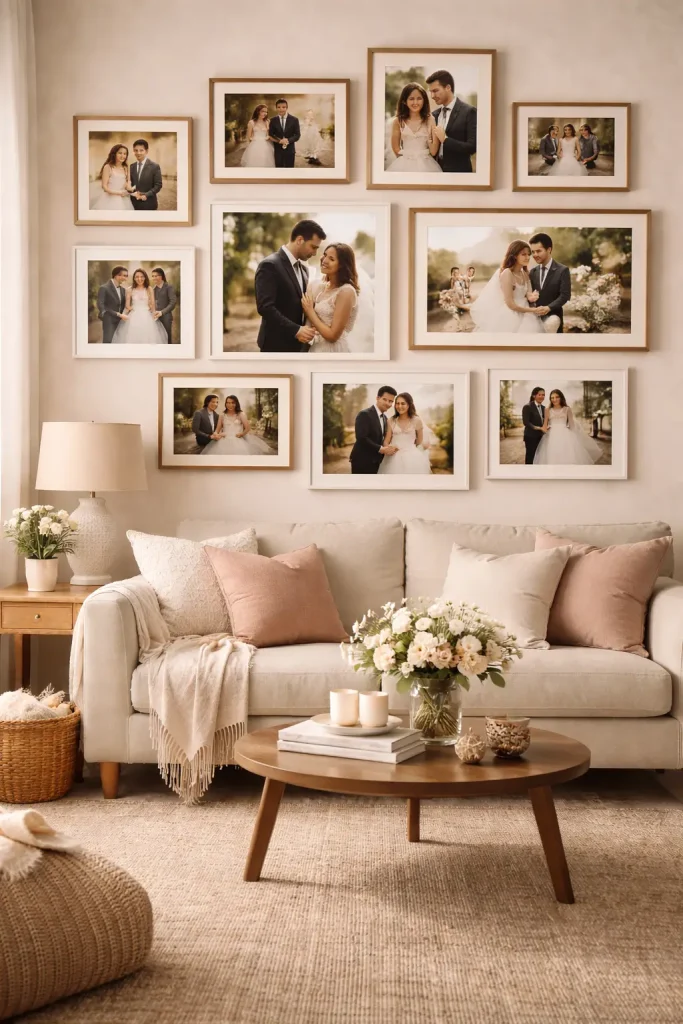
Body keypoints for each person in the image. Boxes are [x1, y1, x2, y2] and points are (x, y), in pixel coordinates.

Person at [254, 219, 326, 353]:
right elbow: (265, 307)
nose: (315, 253)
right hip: (275, 344)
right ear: (299, 240)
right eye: (313, 247)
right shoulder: (269, 265)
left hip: (298, 346)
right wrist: (296, 329)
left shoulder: (304, 269)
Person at [470, 240, 549, 334]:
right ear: (515, 256)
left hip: (526, 311)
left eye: (529, 254)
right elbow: (510, 304)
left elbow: (528, 294)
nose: (527, 257)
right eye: (523, 254)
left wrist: (532, 296)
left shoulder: (525, 274)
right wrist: (533, 310)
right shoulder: (507, 273)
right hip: (512, 313)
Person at [301, 243, 359, 354]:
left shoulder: (346, 292)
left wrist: (310, 311)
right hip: (317, 348)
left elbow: (333, 336)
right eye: (325, 255)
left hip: (333, 351)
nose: (324, 260)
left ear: (342, 265)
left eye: (331, 259)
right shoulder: (324, 287)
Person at [425, 69, 477, 173]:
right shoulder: (434, 115)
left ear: (448, 87)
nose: (432, 96)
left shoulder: (469, 111)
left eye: (435, 91)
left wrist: (445, 140)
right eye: (430, 92)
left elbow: (472, 147)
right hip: (436, 171)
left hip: (459, 174)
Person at [534, 389, 603, 466]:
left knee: (567, 457)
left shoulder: (567, 409)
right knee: (553, 457)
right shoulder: (547, 410)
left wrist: (573, 438)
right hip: (552, 437)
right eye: (552, 398)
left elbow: (572, 426)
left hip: (565, 436)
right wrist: (538, 428)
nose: (554, 399)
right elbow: (545, 426)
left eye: (557, 397)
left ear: (561, 398)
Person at [386, 82, 440, 173]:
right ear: (404, 101)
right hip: (404, 164)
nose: (415, 102)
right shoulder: (398, 121)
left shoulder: (430, 120)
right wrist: (407, 160)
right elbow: (396, 148)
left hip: (427, 165)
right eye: (411, 99)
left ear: (424, 100)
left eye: (419, 98)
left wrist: (430, 139)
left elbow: (434, 151)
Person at [201, 396, 275, 456]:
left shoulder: (241, 414)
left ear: (236, 403)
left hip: (238, 438)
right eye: (228, 403)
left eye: (232, 403)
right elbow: (217, 429)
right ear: (225, 404)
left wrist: (242, 434)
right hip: (224, 438)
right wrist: (216, 434)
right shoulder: (222, 415)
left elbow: (247, 428)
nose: (230, 405)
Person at [378, 393, 431, 475]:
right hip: (393, 457)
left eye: (403, 403)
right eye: (397, 403)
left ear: (409, 405)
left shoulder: (417, 420)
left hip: (412, 457)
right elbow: (386, 440)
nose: (399, 406)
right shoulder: (391, 420)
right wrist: (388, 448)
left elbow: (419, 441)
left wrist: (413, 447)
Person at [349, 385, 398, 474]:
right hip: (362, 461)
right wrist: (381, 449)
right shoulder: (364, 414)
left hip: (377, 462)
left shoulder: (385, 418)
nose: (388, 403)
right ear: (377, 398)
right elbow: (361, 438)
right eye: (385, 399)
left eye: (391, 401)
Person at [112, 268, 168, 344]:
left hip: (147, 316)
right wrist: (128, 313)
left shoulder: (149, 289)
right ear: (134, 278)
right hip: (134, 316)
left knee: (149, 337)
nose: (139, 279)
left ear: (145, 277)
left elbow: (153, 304)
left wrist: (153, 314)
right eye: (137, 277)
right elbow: (127, 306)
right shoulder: (130, 289)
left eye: (142, 276)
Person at [528, 233, 571, 333]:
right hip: (534, 320)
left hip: (554, 319)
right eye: (533, 252)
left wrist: (548, 308)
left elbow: (565, 295)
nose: (535, 255)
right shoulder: (533, 271)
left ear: (549, 249)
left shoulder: (562, 270)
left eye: (538, 251)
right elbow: (530, 295)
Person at [91, 145, 134, 211]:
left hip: (124, 199)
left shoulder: (126, 167)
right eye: (120, 153)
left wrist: (130, 189)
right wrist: (118, 193)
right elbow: (104, 187)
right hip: (109, 198)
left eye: (125, 154)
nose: (122, 156)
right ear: (114, 154)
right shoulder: (108, 167)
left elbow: (128, 182)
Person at [97, 266, 128, 343]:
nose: (125, 278)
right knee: (108, 342)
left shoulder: (123, 290)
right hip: (109, 321)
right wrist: (117, 314)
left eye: (126, 276)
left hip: (121, 322)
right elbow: (101, 305)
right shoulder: (104, 288)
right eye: (124, 275)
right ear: (116, 275)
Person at [129, 139, 163, 211]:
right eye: (136, 150)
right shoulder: (131, 166)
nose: (138, 153)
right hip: (132, 204)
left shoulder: (155, 166)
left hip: (149, 204)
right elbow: (131, 184)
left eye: (141, 150)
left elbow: (158, 185)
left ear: (146, 151)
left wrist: (146, 195)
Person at [268, 99, 300, 169]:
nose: (281, 109)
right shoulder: (273, 120)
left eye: (283, 107)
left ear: (287, 108)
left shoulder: (294, 120)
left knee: (290, 170)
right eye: (279, 107)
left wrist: (287, 140)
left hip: (290, 150)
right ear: (276, 108)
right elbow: (271, 134)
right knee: (279, 169)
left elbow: (297, 135)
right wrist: (280, 140)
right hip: (278, 150)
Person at [522, 387, 547, 465]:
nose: (542, 397)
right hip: (530, 437)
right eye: (539, 395)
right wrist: (538, 428)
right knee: (530, 457)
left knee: (539, 458)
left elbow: (545, 421)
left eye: (543, 395)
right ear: (534, 396)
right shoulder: (527, 406)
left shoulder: (544, 408)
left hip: (541, 437)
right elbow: (526, 422)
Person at [151, 268, 176, 343]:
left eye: (156, 276)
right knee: (158, 339)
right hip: (155, 318)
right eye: (153, 276)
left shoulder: (168, 287)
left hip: (166, 318)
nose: (154, 278)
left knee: (167, 338)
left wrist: (162, 312)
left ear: (162, 276)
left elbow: (173, 302)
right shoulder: (153, 289)